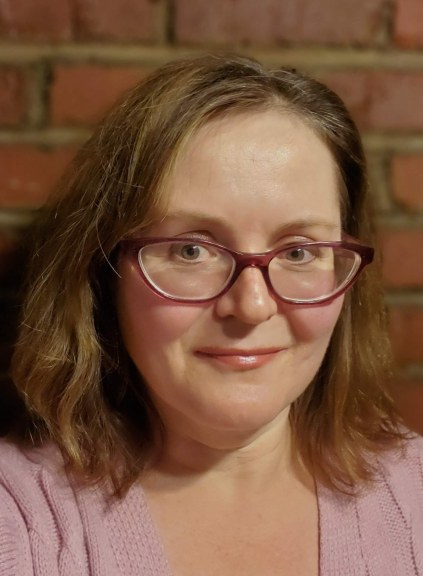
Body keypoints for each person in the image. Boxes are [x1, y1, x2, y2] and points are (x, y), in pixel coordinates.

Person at [0, 53, 422, 576]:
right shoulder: (20, 524)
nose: (252, 305)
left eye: (297, 252)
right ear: (103, 271)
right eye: (190, 250)